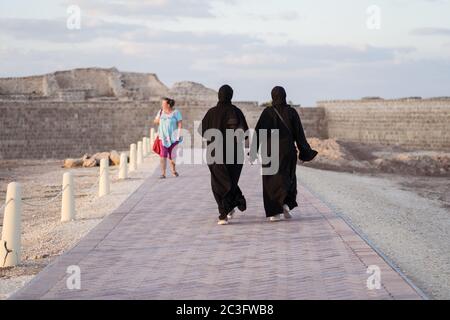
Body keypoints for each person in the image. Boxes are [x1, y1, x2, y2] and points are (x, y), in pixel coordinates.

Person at [251, 86, 318, 222]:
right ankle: (286, 204)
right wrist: (305, 153)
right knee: (289, 178)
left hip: (269, 151)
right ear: (285, 96)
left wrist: (253, 152)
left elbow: (259, 133)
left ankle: (274, 212)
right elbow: (300, 135)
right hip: (288, 151)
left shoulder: (267, 113)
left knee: (271, 180)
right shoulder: (292, 112)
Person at [199, 85, 249, 225]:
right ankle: (232, 204)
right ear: (231, 95)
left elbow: (202, 131)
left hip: (214, 153)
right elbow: (244, 133)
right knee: (230, 181)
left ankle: (224, 212)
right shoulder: (236, 112)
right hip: (234, 153)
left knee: (218, 182)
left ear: (219, 95)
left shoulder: (211, 112)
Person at [154, 97, 182, 179]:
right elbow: (155, 121)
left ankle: (173, 170)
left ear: (168, 105)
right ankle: (163, 173)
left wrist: (179, 133)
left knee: (172, 156)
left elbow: (180, 123)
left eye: (163, 103)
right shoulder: (160, 112)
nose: (162, 105)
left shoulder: (176, 112)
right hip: (163, 137)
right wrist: (159, 118)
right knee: (163, 156)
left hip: (173, 137)